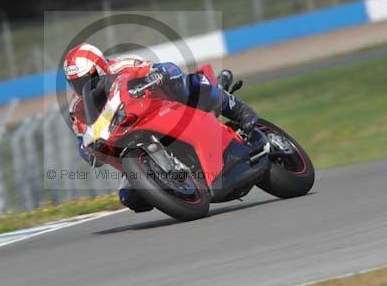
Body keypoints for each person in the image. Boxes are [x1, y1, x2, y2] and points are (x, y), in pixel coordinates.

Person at [64, 43, 258, 213]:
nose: (82, 86)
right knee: (131, 198)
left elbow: (155, 69)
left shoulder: (123, 65)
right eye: (75, 82)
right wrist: (87, 150)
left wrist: (158, 73)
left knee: (190, 83)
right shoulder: (78, 108)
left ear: (100, 66)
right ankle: (177, 187)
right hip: (127, 138)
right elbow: (83, 137)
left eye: (87, 78)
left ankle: (238, 110)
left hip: (159, 106)